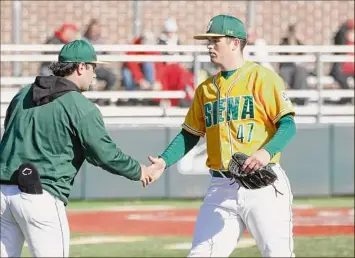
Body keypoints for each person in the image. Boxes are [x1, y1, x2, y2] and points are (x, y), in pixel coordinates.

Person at [147, 15, 297, 257]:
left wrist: (265, 151)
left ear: (235, 43)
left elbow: (288, 125)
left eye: (215, 40)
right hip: (221, 186)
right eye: (208, 41)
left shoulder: (261, 78)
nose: (209, 46)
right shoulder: (205, 89)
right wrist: (163, 162)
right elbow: (189, 134)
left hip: (263, 183)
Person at [0, 40, 157, 257]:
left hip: (3, 194)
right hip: (41, 195)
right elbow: (104, 154)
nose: (95, 74)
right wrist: (140, 171)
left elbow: (8, 130)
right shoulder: (80, 106)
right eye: (93, 67)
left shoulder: (22, 94)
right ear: (81, 67)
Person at [82, 19, 117, 92]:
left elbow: (107, 54)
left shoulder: (101, 41)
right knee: (88, 81)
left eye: (96, 29)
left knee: (112, 77)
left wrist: (108, 51)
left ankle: (104, 97)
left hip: (99, 69)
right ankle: (91, 100)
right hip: (87, 69)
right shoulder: (83, 41)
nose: (95, 32)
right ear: (89, 30)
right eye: (93, 29)